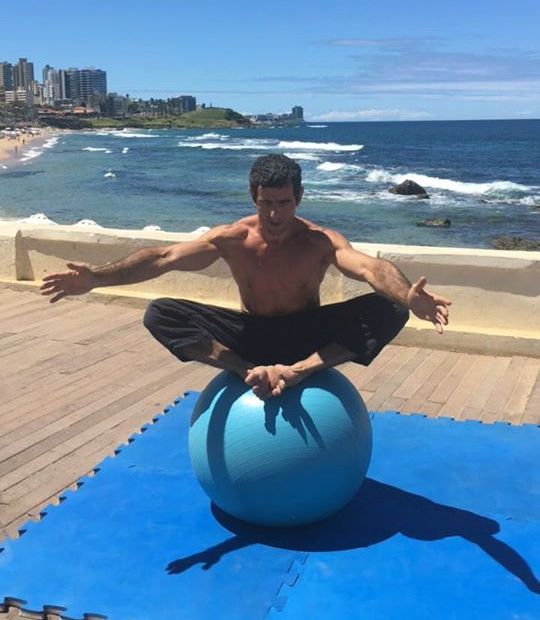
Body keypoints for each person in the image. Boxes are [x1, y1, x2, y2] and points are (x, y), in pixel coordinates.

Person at [41, 154, 451, 399]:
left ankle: (299, 371)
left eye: (284, 203)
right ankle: (245, 370)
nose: (274, 214)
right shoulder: (233, 238)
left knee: (390, 309)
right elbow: (163, 257)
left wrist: (407, 296)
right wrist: (97, 278)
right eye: (266, 203)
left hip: (307, 334)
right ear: (253, 197)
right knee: (159, 313)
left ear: (299, 198)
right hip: (249, 335)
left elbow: (370, 267)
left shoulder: (319, 241)